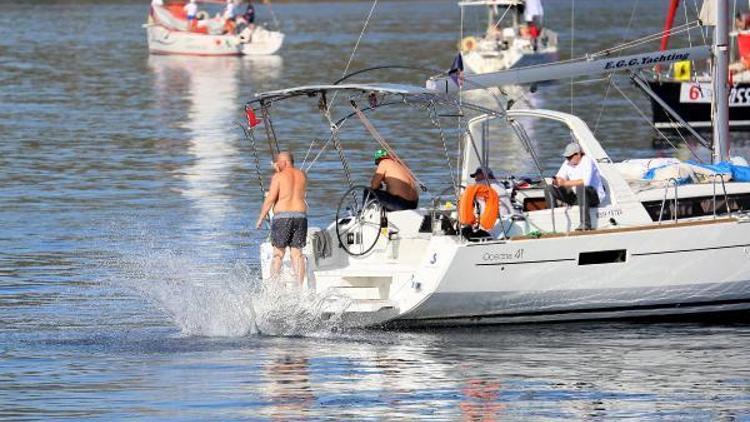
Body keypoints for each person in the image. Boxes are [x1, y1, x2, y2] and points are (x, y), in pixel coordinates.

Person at [256, 151, 308, 284]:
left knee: (278, 254)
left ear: (284, 162)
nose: (276, 165)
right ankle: (299, 288)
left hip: (283, 218)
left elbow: (270, 199)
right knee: (297, 255)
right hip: (300, 217)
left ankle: (274, 288)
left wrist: (261, 218)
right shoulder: (302, 175)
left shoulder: (278, 176)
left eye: (277, 162)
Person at [546, 143, 606, 230]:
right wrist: (556, 181)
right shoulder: (567, 163)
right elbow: (560, 177)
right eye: (566, 157)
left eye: (570, 157)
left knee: (580, 187)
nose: (568, 159)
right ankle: (553, 220)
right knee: (549, 188)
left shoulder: (587, 161)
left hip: (593, 197)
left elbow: (585, 182)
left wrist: (564, 183)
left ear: (578, 154)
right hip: (577, 196)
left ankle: (585, 224)